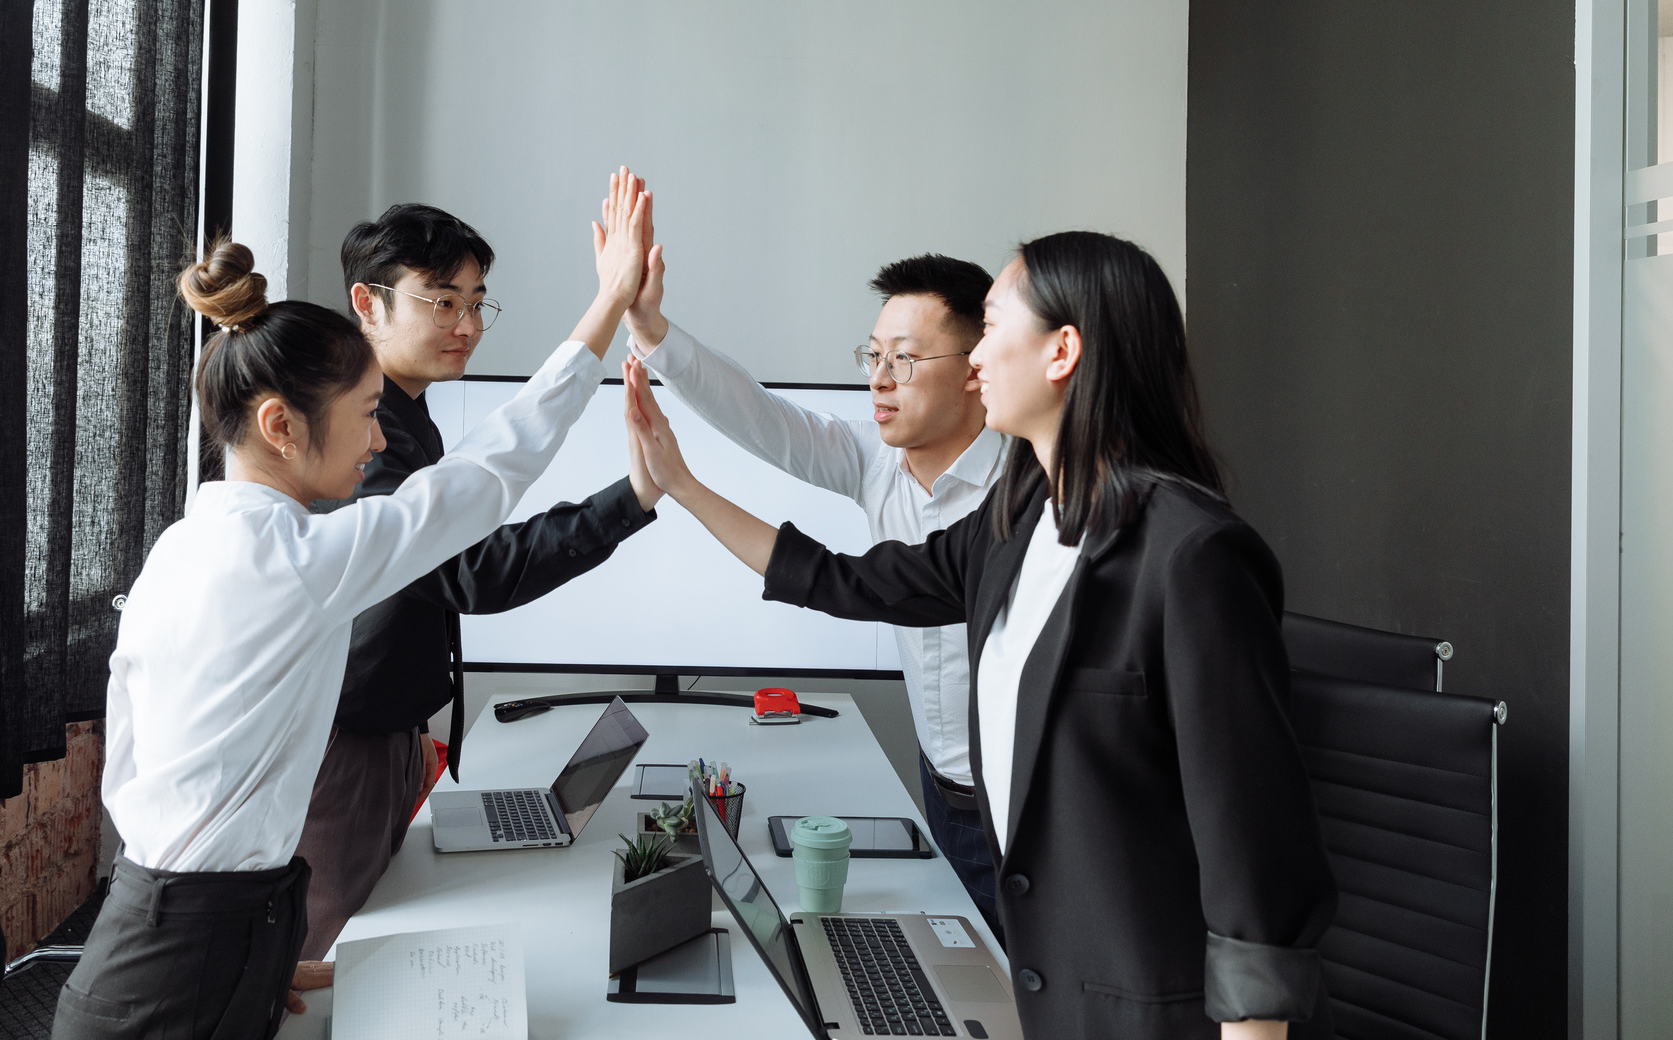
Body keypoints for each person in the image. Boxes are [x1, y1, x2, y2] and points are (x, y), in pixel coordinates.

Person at [620, 231, 1336, 1039]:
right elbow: (838, 580)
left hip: (1143, 1001)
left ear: (1063, 351)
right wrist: (678, 484)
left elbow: (1253, 841)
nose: (977, 361)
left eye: (992, 331)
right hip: (1045, 977)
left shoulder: (1193, 553)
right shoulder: (1013, 527)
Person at [51, 171, 653, 1040]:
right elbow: (486, 477)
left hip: (165, 938)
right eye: (367, 415)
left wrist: (246, 941)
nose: (378, 440)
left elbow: (137, 775)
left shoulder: (183, 550)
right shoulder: (298, 562)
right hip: (174, 977)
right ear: (282, 427)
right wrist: (606, 309)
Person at [290, 190, 665, 967]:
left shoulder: (408, 413)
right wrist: (630, 499)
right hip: (346, 742)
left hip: (387, 732)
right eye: (442, 302)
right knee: (332, 956)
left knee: (374, 939)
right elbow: (473, 571)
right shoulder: (368, 429)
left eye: (476, 304)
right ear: (369, 302)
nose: (465, 326)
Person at [622, 246, 1006, 930]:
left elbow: (837, 582)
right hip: (939, 787)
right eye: (874, 357)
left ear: (976, 371)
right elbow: (762, 419)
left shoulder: (1026, 491)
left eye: (906, 360)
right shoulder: (873, 461)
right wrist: (654, 331)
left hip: (1017, 808)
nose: (881, 381)